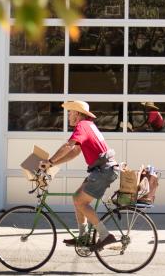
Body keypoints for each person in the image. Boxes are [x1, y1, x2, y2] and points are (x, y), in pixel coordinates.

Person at [40, 100, 118, 251]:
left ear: (77, 113)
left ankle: (105, 235)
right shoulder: (87, 126)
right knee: (77, 198)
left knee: (80, 202)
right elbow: (74, 152)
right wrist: (53, 164)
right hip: (102, 169)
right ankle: (83, 237)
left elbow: (68, 146)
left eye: (70, 112)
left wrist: (50, 161)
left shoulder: (82, 125)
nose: (68, 116)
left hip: (103, 170)